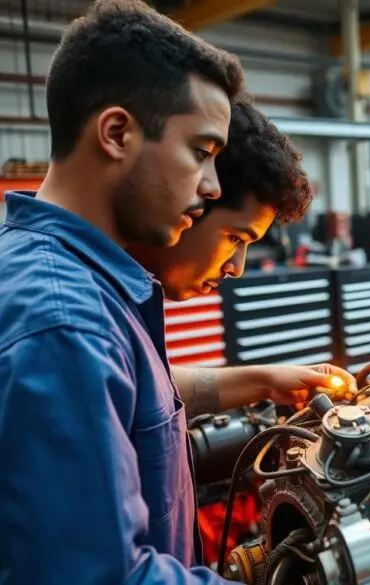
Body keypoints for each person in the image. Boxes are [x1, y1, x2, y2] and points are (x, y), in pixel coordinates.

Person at [0, 2, 321, 584]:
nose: (212, 185)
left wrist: (261, 379)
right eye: (201, 152)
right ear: (117, 133)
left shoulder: (74, 281)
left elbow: (130, 402)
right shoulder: (65, 321)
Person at [128, 98, 349, 419]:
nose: (236, 267)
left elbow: (139, 386)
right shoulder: (69, 313)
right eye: (235, 238)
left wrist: (266, 381)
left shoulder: (112, 290)